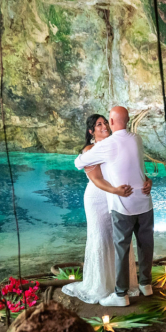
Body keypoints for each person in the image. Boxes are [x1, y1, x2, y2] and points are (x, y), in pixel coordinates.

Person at [62, 114, 148, 304]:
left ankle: (121, 286)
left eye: (105, 122)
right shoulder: (90, 149)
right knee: (101, 238)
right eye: (98, 124)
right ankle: (101, 286)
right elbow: (97, 179)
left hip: (116, 197)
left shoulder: (115, 144)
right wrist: (115, 190)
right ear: (91, 131)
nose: (104, 126)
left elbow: (131, 168)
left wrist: (145, 181)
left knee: (119, 239)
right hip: (98, 197)